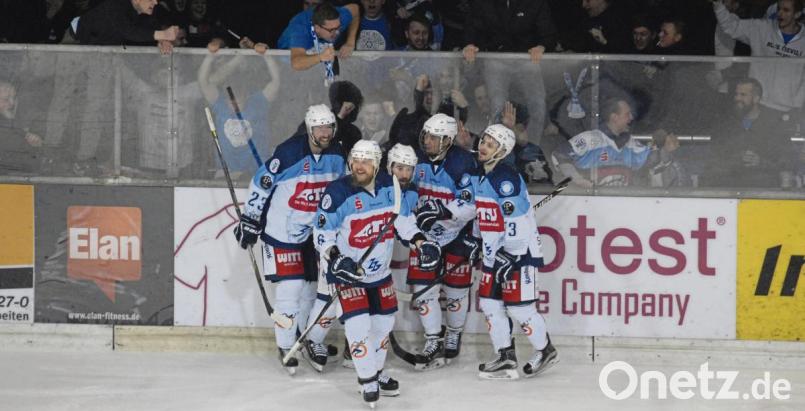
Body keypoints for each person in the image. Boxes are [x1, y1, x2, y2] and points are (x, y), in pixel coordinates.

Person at [314, 139, 439, 407]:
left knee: (383, 327)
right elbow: (322, 234)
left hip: (380, 274)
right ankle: (368, 380)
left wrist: (421, 242)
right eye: (355, 161)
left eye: (366, 162)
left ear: (377, 164)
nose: (359, 166)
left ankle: (376, 372)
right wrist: (335, 258)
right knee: (358, 326)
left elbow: (404, 221)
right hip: (349, 276)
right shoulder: (337, 192)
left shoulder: (389, 187)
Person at [233, 104, 346, 374]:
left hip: (313, 236)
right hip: (282, 233)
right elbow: (262, 182)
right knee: (289, 292)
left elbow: (342, 190)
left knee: (311, 291)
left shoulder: (338, 155)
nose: (324, 132)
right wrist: (250, 218)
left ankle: (307, 338)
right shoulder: (289, 152)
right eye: (319, 128)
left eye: (328, 127)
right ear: (309, 129)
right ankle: (285, 344)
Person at [450, 124, 557, 379]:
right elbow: (476, 211)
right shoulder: (481, 175)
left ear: (503, 150)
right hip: (493, 253)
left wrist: (511, 253)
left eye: (490, 143)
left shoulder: (506, 178)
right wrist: (469, 232)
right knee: (489, 304)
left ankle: (546, 349)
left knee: (520, 308)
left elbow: (517, 221)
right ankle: (505, 356)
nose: (483, 146)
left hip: (519, 255)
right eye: (484, 140)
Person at [407, 113, 480, 369]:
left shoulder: (463, 162)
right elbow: (404, 191)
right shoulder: (415, 159)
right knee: (423, 289)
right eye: (426, 135)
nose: (427, 140)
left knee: (456, 290)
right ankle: (432, 339)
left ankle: (454, 332)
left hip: (458, 233)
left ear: (448, 141)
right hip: (425, 236)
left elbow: (472, 203)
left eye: (434, 137)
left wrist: (443, 211)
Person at [462, 0, 556, 145]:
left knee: (538, 106)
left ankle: (530, 153)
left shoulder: (536, 2)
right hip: (496, 60)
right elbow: (472, 27)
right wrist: (469, 44)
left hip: (528, 60)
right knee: (498, 107)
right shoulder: (482, 3)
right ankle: (499, 151)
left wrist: (542, 46)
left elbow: (549, 33)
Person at [198, 37, 280, 177]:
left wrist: (266, 55)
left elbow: (276, 81)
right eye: (231, 102)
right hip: (226, 171)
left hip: (257, 170)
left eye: (238, 101)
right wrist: (209, 55)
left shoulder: (258, 102)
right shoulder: (220, 104)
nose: (234, 106)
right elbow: (203, 82)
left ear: (246, 96)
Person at [712, 0, 805, 115]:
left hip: (786, 110)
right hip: (756, 104)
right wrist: (718, 5)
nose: (780, 13)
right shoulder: (761, 28)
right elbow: (731, 26)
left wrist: (798, 105)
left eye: (786, 10)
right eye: (779, 9)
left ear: (797, 14)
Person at [704, 78, 797, 188]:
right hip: (730, 189)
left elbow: (787, 162)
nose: (737, 98)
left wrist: (761, 162)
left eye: (743, 95)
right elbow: (712, 159)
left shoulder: (775, 124)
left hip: (765, 191)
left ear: (756, 98)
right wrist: (734, 159)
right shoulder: (725, 124)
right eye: (736, 94)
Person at [554, 98, 651, 187]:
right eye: (627, 114)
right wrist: (578, 180)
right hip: (590, 201)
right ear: (614, 117)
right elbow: (560, 155)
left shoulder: (632, 144)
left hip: (623, 201)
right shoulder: (591, 139)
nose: (631, 118)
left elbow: (651, 161)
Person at [277, 2, 361, 72]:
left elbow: (355, 9)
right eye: (331, 30)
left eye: (338, 27)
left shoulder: (339, 18)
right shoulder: (300, 27)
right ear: (317, 28)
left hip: (318, 48)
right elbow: (296, 63)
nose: (337, 32)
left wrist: (350, 42)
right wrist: (321, 57)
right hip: (288, 56)